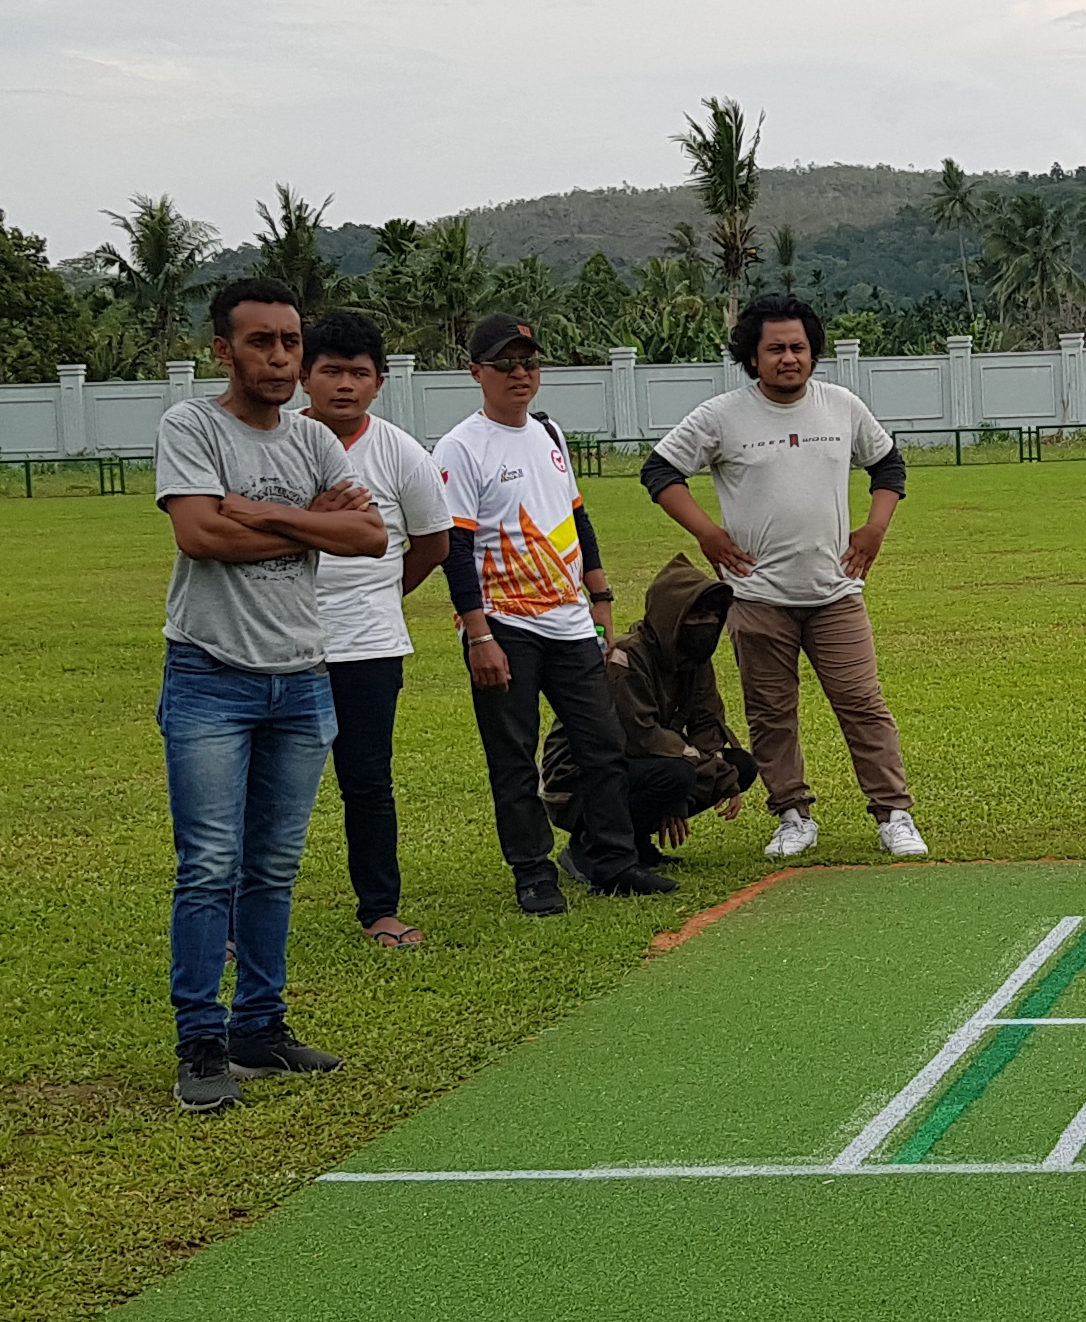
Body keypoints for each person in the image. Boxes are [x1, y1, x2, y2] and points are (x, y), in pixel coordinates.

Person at [155, 278, 383, 1116]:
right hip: (211, 676)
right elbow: (199, 534)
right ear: (224, 350)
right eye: (262, 342)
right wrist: (306, 520)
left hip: (302, 678)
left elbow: (370, 536)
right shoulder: (192, 427)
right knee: (209, 867)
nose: (282, 358)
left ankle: (259, 1027)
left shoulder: (314, 438)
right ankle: (201, 1045)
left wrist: (254, 512)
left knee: (274, 868)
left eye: (291, 342)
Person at [645, 294, 928, 861]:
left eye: (799, 347)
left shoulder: (841, 406)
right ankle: (792, 815)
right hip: (757, 598)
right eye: (775, 349)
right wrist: (708, 534)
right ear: (752, 357)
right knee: (771, 713)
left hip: (835, 593)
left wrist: (875, 528)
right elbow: (659, 470)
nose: (789, 358)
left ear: (813, 352)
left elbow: (887, 464)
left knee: (862, 703)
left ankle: (893, 813)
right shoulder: (722, 416)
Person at [437, 314, 669, 914]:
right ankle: (533, 872)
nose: (520, 374)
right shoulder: (462, 447)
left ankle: (612, 860)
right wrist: (478, 634)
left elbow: (577, 519)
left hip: (568, 621)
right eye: (505, 365)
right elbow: (454, 549)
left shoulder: (548, 433)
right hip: (504, 624)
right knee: (513, 755)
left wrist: (601, 598)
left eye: (529, 363)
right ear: (476, 373)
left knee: (604, 743)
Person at [298, 311, 454, 947]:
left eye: (359, 373)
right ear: (304, 376)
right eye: (331, 371)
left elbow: (433, 543)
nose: (345, 385)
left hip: (367, 645)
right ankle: (234, 921)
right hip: (280, 642)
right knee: (267, 787)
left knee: (366, 781)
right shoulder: (277, 444)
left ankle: (381, 910)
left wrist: (381, 595)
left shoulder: (400, 452)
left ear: (379, 382)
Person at [543, 553, 760, 857]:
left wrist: (711, 776)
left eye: (713, 617)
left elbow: (707, 722)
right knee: (676, 776)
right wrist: (693, 779)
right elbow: (639, 738)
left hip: (647, 764)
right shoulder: (624, 660)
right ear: (671, 617)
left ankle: (635, 839)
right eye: (697, 618)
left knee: (739, 765)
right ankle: (590, 844)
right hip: (576, 778)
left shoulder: (694, 661)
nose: (708, 625)